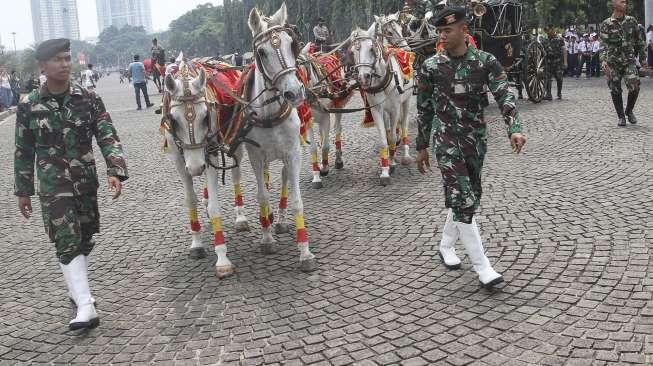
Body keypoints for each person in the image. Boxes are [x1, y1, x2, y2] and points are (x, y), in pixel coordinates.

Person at [14, 38, 128, 330]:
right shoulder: (29, 105)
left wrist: (114, 169)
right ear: (43, 65)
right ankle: (86, 305)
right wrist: (23, 190)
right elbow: (23, 150)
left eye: (67, 58)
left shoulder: (87, 97)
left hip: (85, 182)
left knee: (85, 237)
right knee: (66, 239)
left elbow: (106, 133)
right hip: (53, 186)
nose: (65, 64)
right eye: (58, 60)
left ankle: (76, 291)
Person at [415, 7, 527, 289]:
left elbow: (504, 95)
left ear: (464, 31)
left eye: (447, 31)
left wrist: (514, 128)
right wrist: (421, 146)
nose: (442, 35)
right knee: (463, 199)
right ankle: (483, 268)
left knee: (469, 197)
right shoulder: (431, 67)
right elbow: (424, 109)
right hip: (446, 142)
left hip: (475, 140)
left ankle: (446, 245)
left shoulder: (485, 62)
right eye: (439, 31)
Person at [600, 0, 646, 126]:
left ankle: (629, 111)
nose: (625, 4)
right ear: (614, 4)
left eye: (626, 2)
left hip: (629, 61)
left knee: (635, 85)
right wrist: (603, 60)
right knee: (615, 89)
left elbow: (639, 41)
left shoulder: (631, 21)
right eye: (622, 1)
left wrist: (643, 58)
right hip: (613, 62)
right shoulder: (606, 23)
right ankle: (621, 116)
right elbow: (603, 45)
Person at [542, 25, 567, 100]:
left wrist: (565, 62)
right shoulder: (544, 40)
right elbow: (541, 51)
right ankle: (548, 94)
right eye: (546, 31)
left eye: (548, 30)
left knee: (559, 78)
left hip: (558, 61)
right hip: (548, 62)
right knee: (547, 78)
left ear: (553, 29)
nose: (547, 32)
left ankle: (559, 93)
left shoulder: (559, 39)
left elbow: (564, 50)